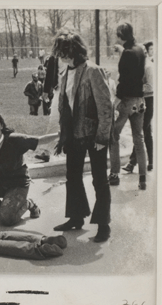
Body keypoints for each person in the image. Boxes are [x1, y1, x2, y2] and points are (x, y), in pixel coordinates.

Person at [52, 31, 113, 243]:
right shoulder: (64, 75)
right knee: (73, 178)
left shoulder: (92, 71)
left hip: (94, 135)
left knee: (99, 180)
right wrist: (63, 135)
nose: (62, 56)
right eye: (60, 52)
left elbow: (106, 107)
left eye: (65, 51)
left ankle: (103, 224)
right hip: (74, 136)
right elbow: (65, 108)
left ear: (76, 50)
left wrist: (102, 138)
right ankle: (76, 217)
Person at [108, 23, 147, 190]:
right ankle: (143, 179)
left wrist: (115, 101)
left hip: (127, 101)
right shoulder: (140, 50)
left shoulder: (127, 54)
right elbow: (135, 68)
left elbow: (123, 81)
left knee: (113, 135)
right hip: (140, 101)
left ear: (121, 36)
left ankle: (114, 173)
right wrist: (122, 51)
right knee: (139, 139)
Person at [122, 41, 154, 173]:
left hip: (148, 100)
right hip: (139, 101)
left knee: (140, 131)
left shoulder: (148, 67)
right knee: (146, 132)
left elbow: (151, 86)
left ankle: (132, 162)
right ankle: (150, 161)